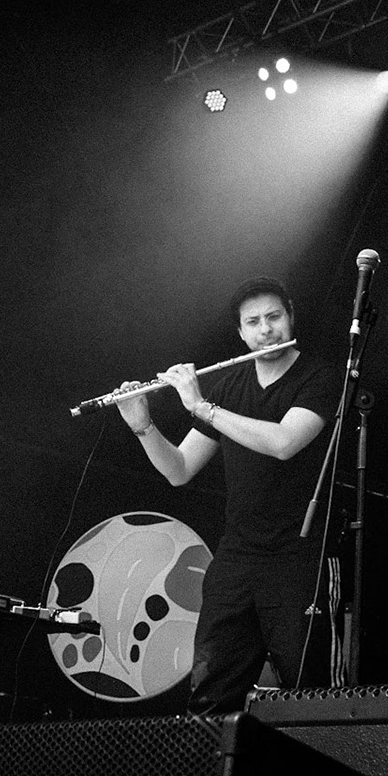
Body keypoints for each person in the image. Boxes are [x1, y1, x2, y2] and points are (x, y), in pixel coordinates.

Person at [116, 275, 340, 713]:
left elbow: (283, 443)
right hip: (237, 557)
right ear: (240, 333)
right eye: (253, 322)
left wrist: (201, 407)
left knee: (312, 695)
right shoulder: (229, 384)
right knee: (210, 693)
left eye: (274, 317)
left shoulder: (320, 376)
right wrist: (142, 426)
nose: (265, 329)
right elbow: (179, 471)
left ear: (291, 316)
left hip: (301, 556)